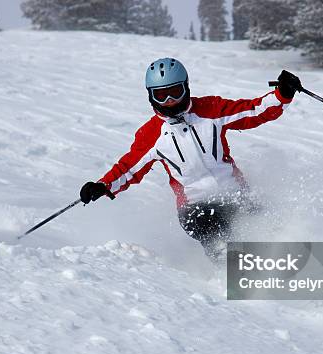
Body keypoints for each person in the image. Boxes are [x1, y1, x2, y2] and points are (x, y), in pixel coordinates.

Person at [80, 58, 301, 263]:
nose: (169, 101)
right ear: (151, 96)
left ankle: (297, 267)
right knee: (219, 236)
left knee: (272, 224)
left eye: (175, 92)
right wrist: (102, 185)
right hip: (195, 208)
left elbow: (253, 111)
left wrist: (282, 94)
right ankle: (232, 272)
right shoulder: (151, 134)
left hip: (236, 194)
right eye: (161, 95)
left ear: (186, 87)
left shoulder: (210, 109)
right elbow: (128, 169)